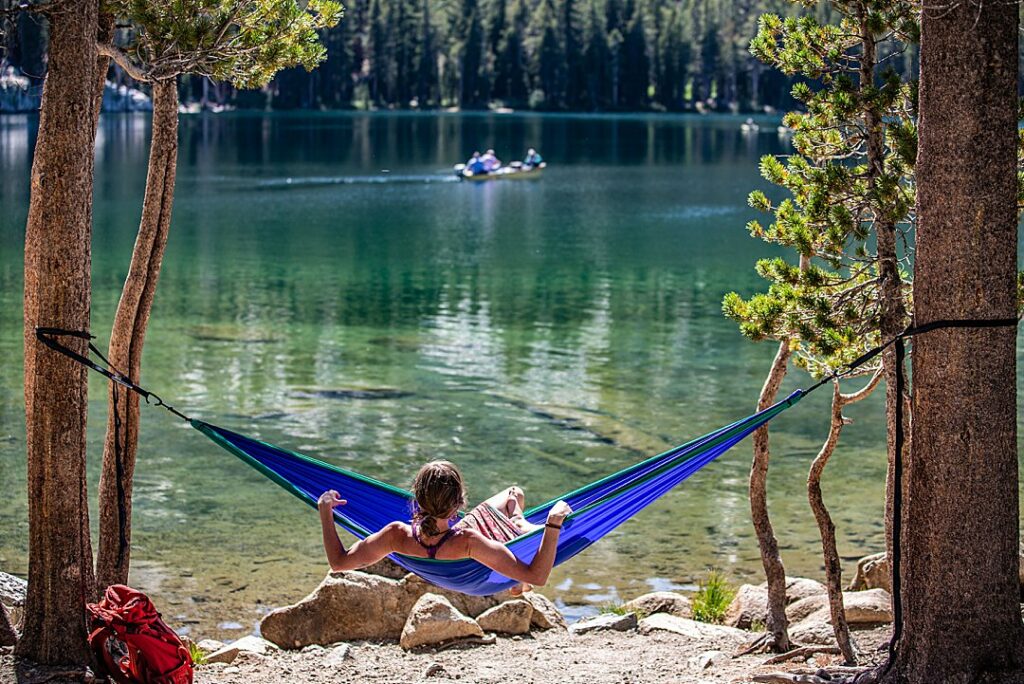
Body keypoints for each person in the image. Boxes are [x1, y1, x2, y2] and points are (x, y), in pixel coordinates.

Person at [318, 461, 572, 593]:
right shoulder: (468, 540)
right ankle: (518, 525)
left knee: (512, 497)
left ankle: (517, 523)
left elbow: (339, 563)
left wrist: (325, 511)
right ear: (457, 506)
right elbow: (537, 576)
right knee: (513, 493)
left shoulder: (396, 535)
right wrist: (552, 524)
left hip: (446, 555)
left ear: (417, 498)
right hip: (475, 567)